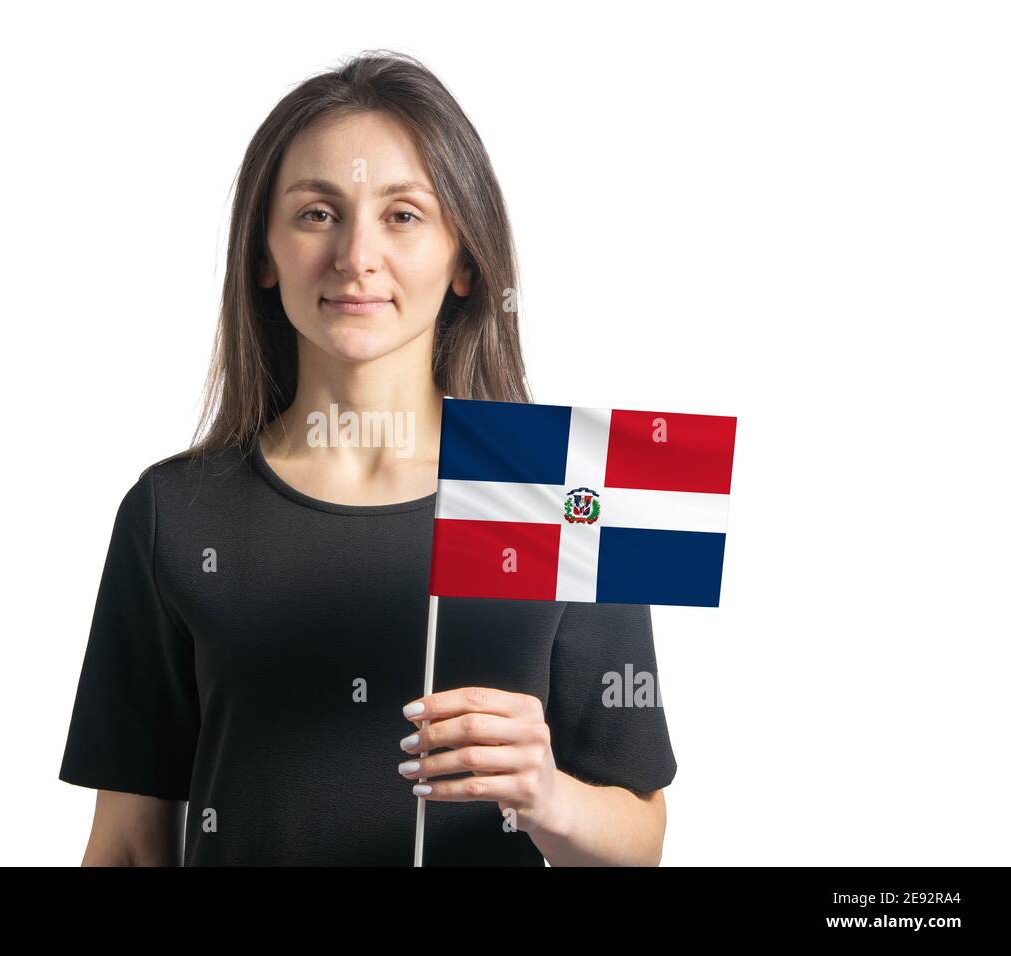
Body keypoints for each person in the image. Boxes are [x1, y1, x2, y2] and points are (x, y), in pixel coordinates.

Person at [58, 50, 677, 866]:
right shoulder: (173, 514)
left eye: (403, 215)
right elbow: (129, 845)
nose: (356, 256)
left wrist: (549, 797)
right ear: (263, 255)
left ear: (464, 259)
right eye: (317, 213)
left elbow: (640, 840)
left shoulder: (562, 490)